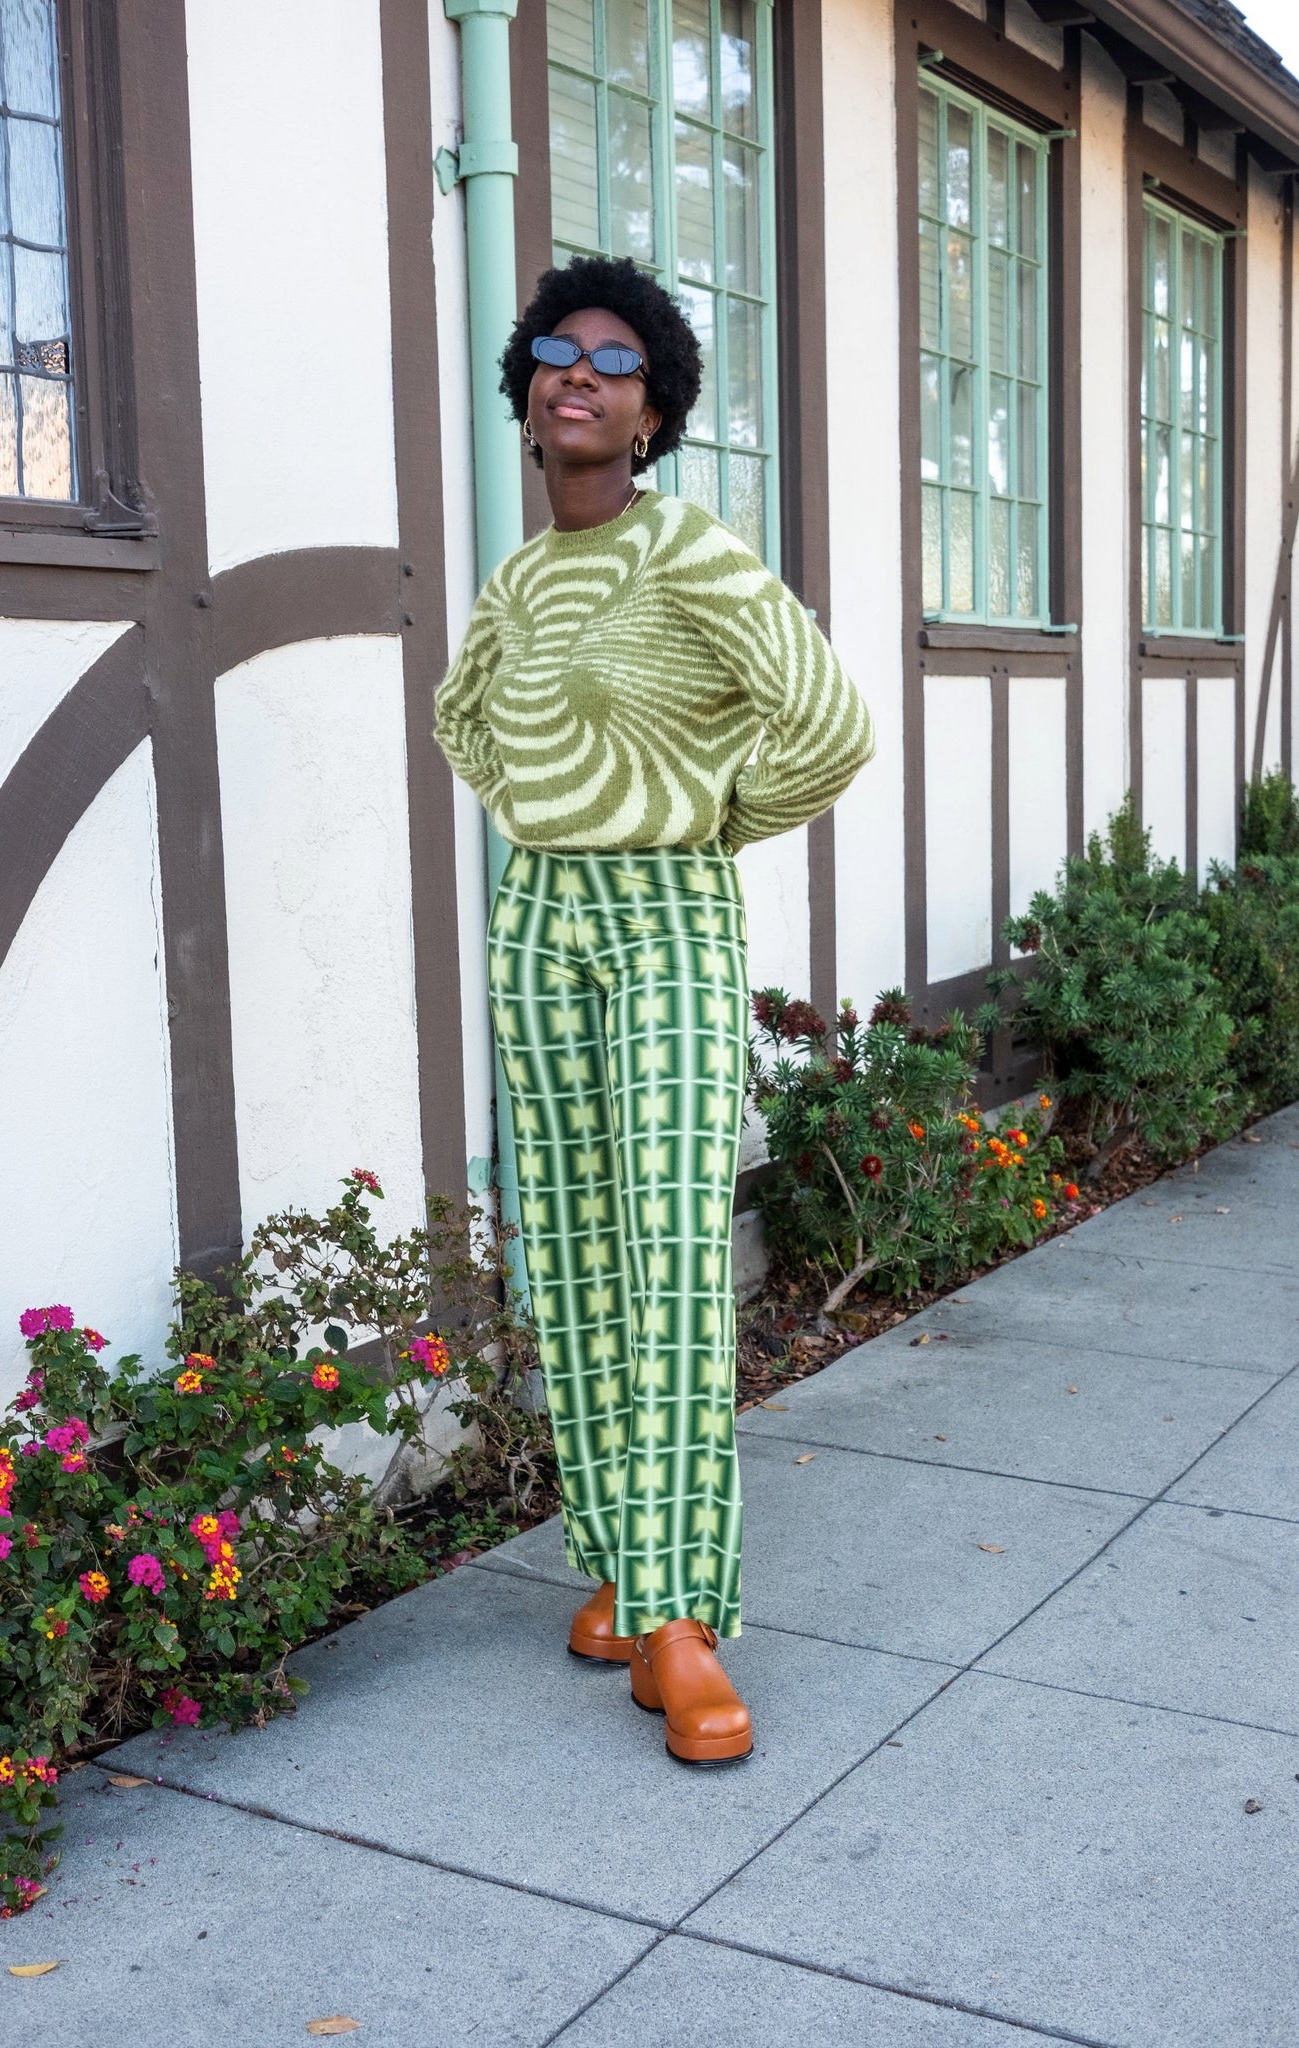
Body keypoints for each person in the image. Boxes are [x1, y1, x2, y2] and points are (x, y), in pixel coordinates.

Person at [435, 254, 873, 1765]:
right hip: (538, 918)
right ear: (529, 393)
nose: (581, 372)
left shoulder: (688, 549)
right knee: (572, 1255)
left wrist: (701, 821)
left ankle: (683, 1617)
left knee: (673, 1252)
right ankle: (624, 1570)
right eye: (558, 351)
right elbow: (465, 721)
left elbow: (827, 722)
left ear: (654, 413)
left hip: (667, 919)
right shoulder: (515, 583)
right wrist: (551, 810)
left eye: (617, 361)